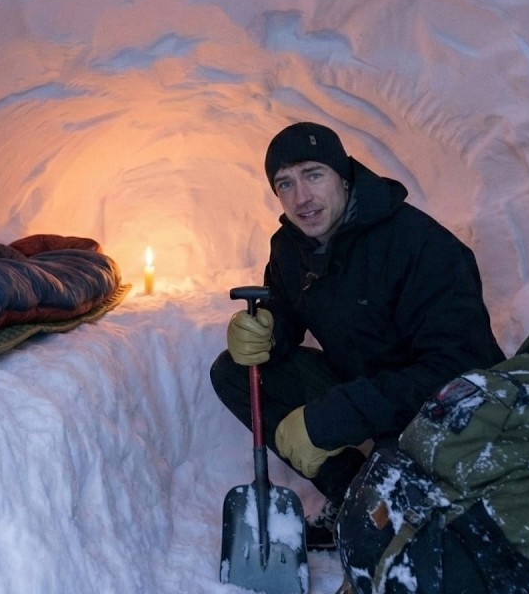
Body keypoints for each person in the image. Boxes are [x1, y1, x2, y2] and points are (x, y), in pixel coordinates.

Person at [210, 121, 505, 550]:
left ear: (343, 176)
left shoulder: (420, 245)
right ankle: (353, 494)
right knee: (237, 373)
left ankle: (388, 505)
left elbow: (459, 371)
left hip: (440, 411)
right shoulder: (290, 245)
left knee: (422, 532)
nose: (301, 198)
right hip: (366, 386)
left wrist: (331, 418)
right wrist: (268, 331)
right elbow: (288, 308)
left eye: (313, 175)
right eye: (285, 184)